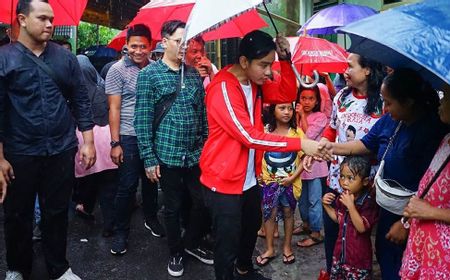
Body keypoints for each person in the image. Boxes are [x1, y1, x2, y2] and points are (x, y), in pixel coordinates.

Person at [199, 30, 323, 280]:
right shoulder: (222, 88)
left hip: (249, 178)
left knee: (248, 231)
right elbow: (250, 136)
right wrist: (300, 143)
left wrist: (286, 59)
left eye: (271, 64)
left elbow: (287, 93)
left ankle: (245, 269)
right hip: (223, 181)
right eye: (264, 65)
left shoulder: (253, 84)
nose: (268, 72)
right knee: (227, 243)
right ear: (244, 62)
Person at [321, 69, 448, 279]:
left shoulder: (431, 132)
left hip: (413, 214)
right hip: (388, 208)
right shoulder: (390, 121)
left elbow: (430, 186)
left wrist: (406, 223)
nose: (385, 108)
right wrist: (328, 147)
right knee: (386, 254)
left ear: (408, 102)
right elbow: (364, 144)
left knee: (405, 264)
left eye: (389, 103)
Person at [0, 1, 96, 279]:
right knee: (17, 215)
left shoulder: (65, 58)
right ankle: (17, 267)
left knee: (56, 212)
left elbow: (80, 98)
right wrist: (1, 157)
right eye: (42, 18)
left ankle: (59, 266)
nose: (50, 24)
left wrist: (88, 141)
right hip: (20, 151)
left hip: (60, 147)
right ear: (22, 20)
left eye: (52, 19)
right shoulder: (5, 58)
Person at [134, 20, 212, 277]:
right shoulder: (149, 75)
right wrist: (148, 158)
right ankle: (175, 252)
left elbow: (201, 114)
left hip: (193, 154)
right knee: (173, 206)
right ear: (164, 41)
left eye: (186, 42)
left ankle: (189, 243)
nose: (183, 46)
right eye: (179, 41)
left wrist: (203, 144)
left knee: (201, 203)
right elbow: (143, 119)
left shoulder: (192, 74)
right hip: (166, 154)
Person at [319, 53, 384, 274]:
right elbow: (331, 127)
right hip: (337, 179)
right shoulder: (341, 97)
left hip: (367, 186)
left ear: (367, 70)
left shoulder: (384, 101)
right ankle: (334, 272)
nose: (345, 71)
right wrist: (322, 144)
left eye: (350, 66)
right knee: (334, 235)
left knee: (360, 237)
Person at [106, 24, 163, 256]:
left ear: (150, 46)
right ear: (126, 46)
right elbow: (114, 108)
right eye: (134, 46)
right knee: (127, 186)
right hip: (128, 136)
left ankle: (151, 219)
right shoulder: (116, 70)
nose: (138, 51)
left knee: (151, 182)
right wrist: (115, 142)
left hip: (153, 135)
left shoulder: (156, 69)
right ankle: (121, 232)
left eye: (143, 46)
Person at [400, 85, 450, 279]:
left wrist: (429, 212)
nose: (440, 102)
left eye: (446, 97)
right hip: (425, 245)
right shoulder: (446, 139)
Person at [73, 55, 118, 237]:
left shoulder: (74, 93)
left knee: (89, 184)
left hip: (85, 144)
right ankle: (110, 224)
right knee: (108, 187)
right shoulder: (104, 89)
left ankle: (86, 208)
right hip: (107, 145)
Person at [256, 103, 304, 267]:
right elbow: (257, 152)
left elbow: (304, 158)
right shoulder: (265, 131)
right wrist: (258, 174)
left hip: (290, 183)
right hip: (269, 183)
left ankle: (287, 247)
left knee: (289, 213)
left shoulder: (297, 133)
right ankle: (270, 249)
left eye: (290, 109)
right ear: (273, 110)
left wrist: (292, 179)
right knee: (269, 214)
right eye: (282, 108)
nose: (287, 112)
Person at [322, 156, 378, 280]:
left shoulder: (367, 202)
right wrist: (326, 205)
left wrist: (351, 206)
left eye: (350, 178)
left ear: (364, 181)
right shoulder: (343, 197)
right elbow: (338, 218)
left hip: (358, 261)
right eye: (342, 176)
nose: (344, 182)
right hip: (340, 256)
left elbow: (362, 227)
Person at [296, 86, 328, 247]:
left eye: (311, 98)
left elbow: (308, 138)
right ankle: (306, 224)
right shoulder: (293, 114)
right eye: (303, 98)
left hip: (315, 166)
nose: (307, 102)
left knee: (314, 200)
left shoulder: (320, 117)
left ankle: (316, 232)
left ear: (317, 101)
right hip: (298, 165)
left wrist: (301, 115)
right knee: (301, 200)